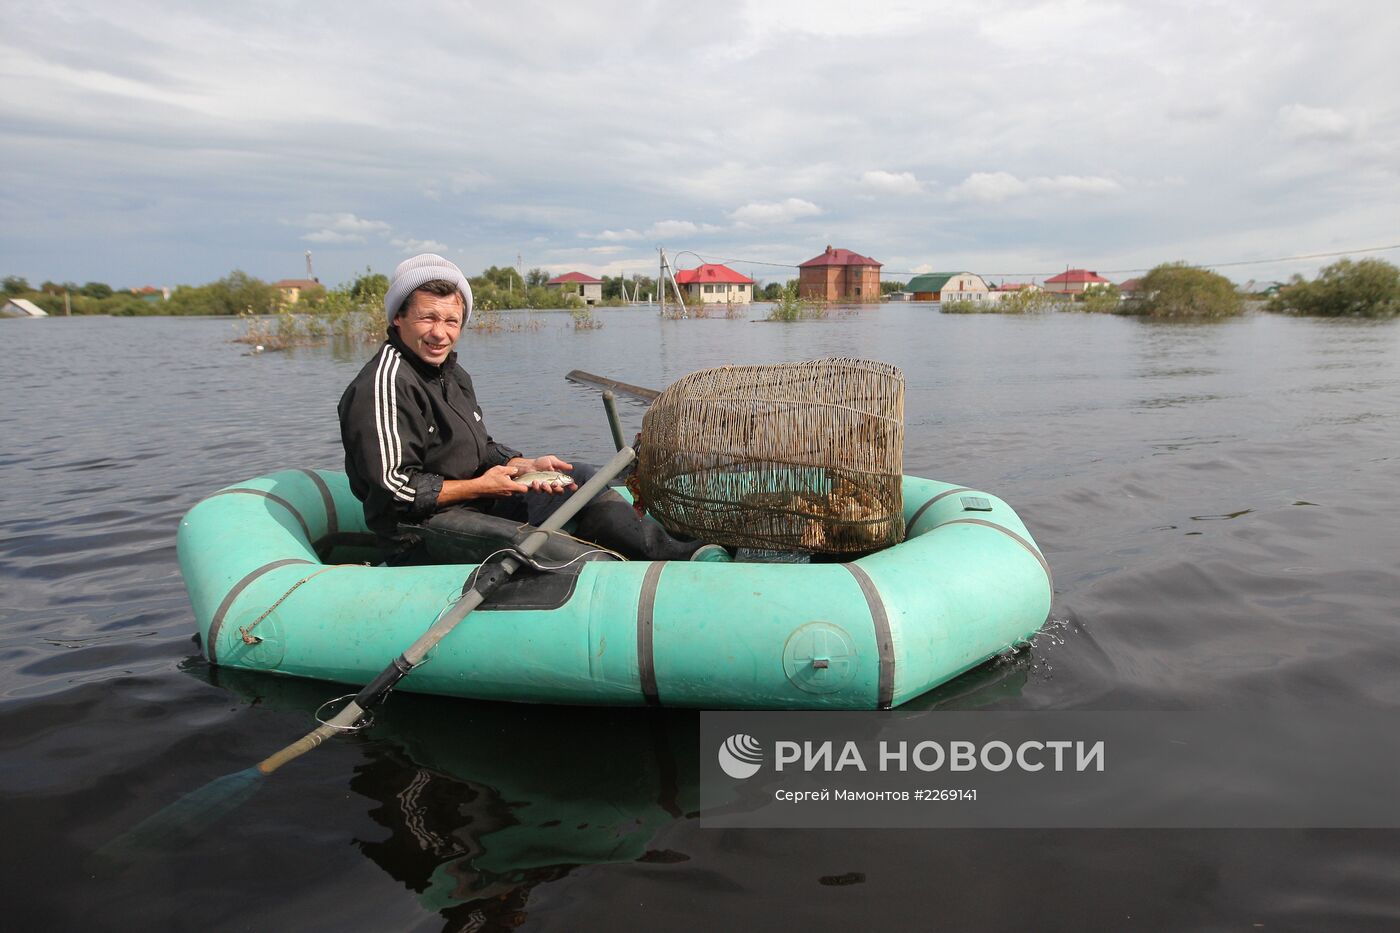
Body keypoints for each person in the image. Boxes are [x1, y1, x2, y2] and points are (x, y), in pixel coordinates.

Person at [338, 253, 726, 565]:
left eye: (452, 320)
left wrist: (524, 463)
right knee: (558, 552)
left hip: (478, 500)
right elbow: (394, 491)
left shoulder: (451, 375)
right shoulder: (385, 384)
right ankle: (614, 574)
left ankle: (671, 552)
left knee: (584, 477)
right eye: (428, 317)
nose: (441, 332)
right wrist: (480, 485)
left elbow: (481, 448)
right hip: (420, 529)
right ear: (398, 317)